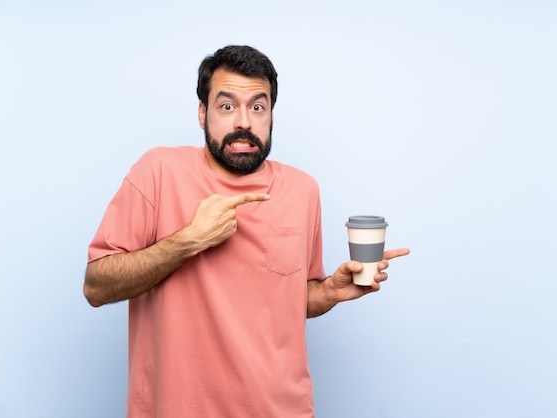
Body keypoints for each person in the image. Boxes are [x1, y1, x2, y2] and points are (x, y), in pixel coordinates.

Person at [84, 44, 409, 418]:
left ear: (271, 115)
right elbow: (96, 286)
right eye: (227, 106)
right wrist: (188, 240)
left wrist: (329, 293)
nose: (244, 121)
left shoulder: (303, 190)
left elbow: (287, 301)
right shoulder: (158, 171)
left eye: (258, 106)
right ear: (202, 113)